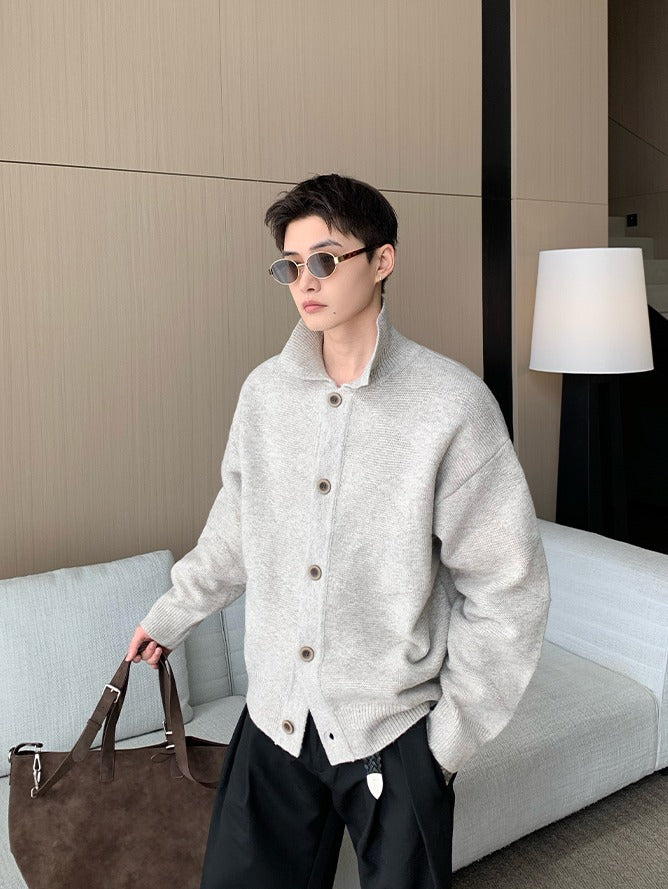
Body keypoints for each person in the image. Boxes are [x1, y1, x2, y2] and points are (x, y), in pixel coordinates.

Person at [126, 173, 551, 889]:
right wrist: (170, 616)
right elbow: (235, 531)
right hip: (274, 720)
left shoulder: (451, 404)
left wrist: (447, 742)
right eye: (291, 266)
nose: (306, 281)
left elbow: (507, 586)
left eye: (325, 259)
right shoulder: (264, 394)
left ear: (382, 261)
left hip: (394, 733)